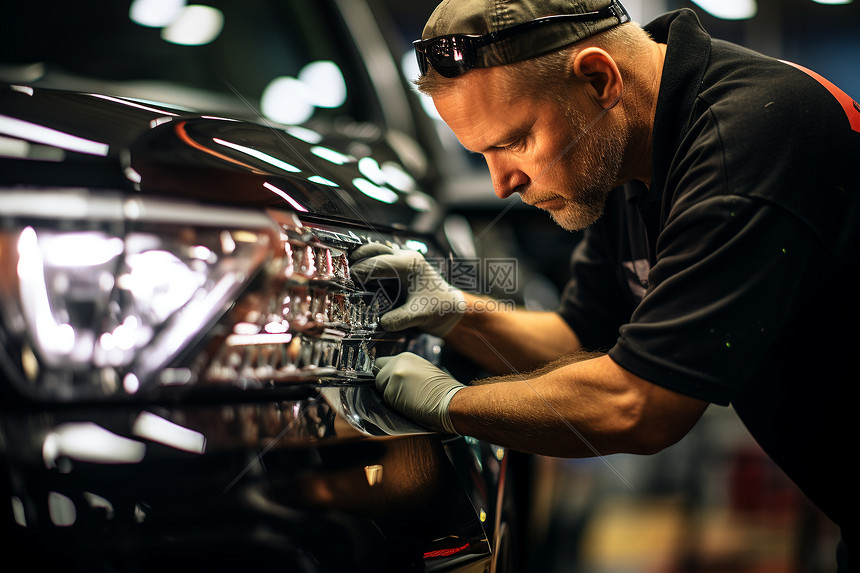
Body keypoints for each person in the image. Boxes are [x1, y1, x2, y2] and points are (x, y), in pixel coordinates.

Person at [349, 0, 859, 569]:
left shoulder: (747, 137)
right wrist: (454, 312)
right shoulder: (628, 147)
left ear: (598, 79)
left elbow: (639, 404)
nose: (500, 185)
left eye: (513, 142)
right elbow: (582, 340)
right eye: (483, 155)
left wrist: (451, 405)